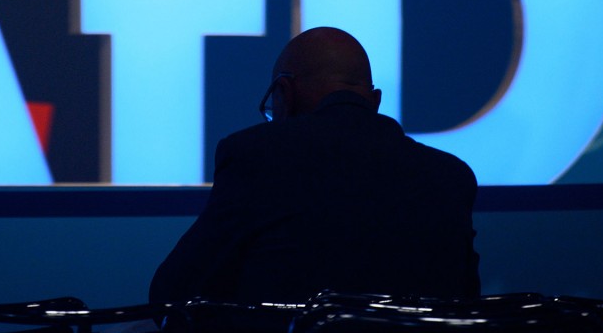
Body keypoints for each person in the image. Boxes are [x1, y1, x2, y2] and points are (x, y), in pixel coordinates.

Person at [149, 27, 480, 305]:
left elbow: (174, 293)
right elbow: (466, 302)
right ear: (374, 103)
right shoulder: (451, 176)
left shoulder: (257, 155)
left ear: (284, 94)